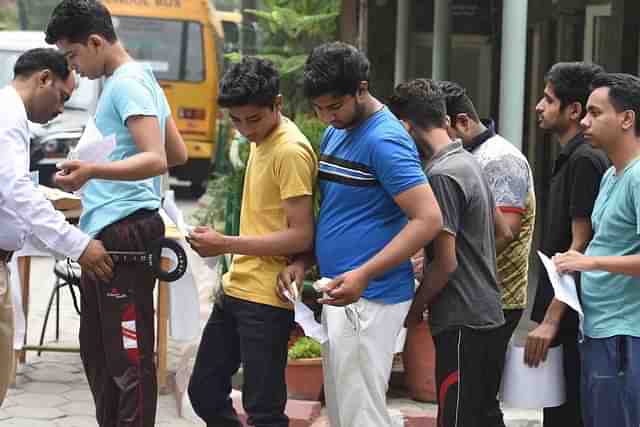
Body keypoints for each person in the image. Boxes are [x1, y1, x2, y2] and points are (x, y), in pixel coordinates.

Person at [278, 42, 443, 427]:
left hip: (371, 298)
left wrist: (365, 273)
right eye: (319, 109)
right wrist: (304, 261)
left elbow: (428, 219)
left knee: (362, 414)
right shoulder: (339, 130)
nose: (326, 117)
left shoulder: (384, 140)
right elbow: (337, 210)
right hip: (341, 292)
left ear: (362, 89)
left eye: (334, 106)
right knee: (346, 412)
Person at [45, 1, 187, 425]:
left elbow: (157, 158)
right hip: (113, 229)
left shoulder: (126, 83)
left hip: (124, 233)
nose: (74, 68)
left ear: (95, 41)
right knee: (101, 356)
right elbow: (177, 152)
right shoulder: (139, 80)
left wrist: (92, 170)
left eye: (73, 56)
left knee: (127, 360)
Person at [186, 57, 317, 427]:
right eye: (236, 120)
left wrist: (224, 243)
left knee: (264, 411)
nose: (244, 130)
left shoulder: (290, 150)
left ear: (277, 104)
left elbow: (302, 233)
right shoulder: (263, 139)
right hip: (237, 289)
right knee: (205, 391)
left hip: (266, 299)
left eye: (253, 119)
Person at [388, 78, 505, 427]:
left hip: (460, 320)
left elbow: (447, 263)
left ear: (406, 126)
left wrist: (414, 308)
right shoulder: (469, 162)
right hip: (489, 314)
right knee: (484, 415)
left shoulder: (440, 175)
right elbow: (501, 230)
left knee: (455, 418)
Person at [0, 48, 113, 406]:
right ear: (43, 78)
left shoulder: (11, 115)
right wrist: (77, 245)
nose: (62, 108)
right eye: (63, 97)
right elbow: (16, 192)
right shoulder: (8, 118)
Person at [436, 80, 536, 426]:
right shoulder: (468, 156)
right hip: (476, 296)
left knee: (476, 404)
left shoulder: (500, 159)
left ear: (461, 122)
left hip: (497, 298)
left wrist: (443, 265)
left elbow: (501, 233)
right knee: (476, 402)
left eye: (439, 129)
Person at [553, 73, 640, 427]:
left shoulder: (637, 177)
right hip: (597, 329)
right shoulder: (611, 175)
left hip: (624, 335)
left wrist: (589, 261)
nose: (584, 121)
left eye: (595, 112)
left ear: (627, 118)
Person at [526, 62, 608, 427]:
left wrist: (551, 320)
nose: (539, 107)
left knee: (568, 415)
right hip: (563, 307)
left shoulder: (586, 160)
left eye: (548, 99)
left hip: (572, 314)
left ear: (573, 110)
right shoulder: (571, 157)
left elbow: (581, 246)